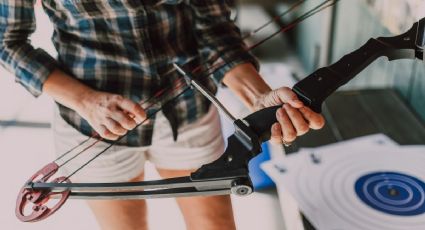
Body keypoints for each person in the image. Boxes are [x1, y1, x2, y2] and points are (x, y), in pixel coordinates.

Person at [0, 1, 325, 229]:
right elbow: (8, 41)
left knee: (216, 225)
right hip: (93, 127)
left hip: (189, 113)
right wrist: (85, 100)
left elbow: (213, 27)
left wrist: (259, 97)